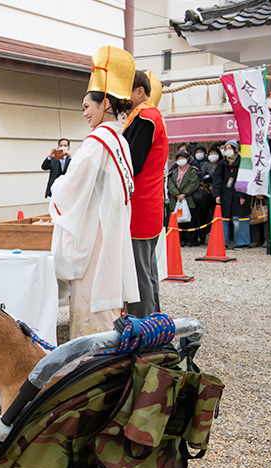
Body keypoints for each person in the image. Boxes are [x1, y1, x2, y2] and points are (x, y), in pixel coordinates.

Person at [50, 46, 139, 339]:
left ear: (105, 104)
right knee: (109, 300)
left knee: (91, 299)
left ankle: (90, 368)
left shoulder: (97, 141)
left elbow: (72, 186)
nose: (85, 113)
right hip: (111, 227)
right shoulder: (119, 140)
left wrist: (57, 186)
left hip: (94, 233)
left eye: (87, 107)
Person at [122, 69, 169, 318]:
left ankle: (143, 330)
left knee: (139, 274)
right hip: (148, 204)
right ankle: (153, 324)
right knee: (147, 272)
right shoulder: (149, 115)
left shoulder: (145, 118)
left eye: (126, 90)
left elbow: (131, 163)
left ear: (140, 91)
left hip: (139, 205)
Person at [213, 139, 250, 249]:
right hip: (225, 194)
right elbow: (217, 180)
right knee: (224, 219)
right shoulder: (222, 164)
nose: (228, 151)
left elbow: (245, 179)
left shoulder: (243, 162)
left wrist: (243, 195)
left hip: (239, 193)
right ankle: (223, 242)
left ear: (236, 149)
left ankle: (242, 242)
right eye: (226, 149)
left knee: (239, 219)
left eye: (230, 148)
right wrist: (217, 194)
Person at [166, 151, 200, 247]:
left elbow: (193, 183)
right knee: (178, 221)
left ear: (187, 159)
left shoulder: (192, 170)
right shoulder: (173, 172)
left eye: (183, 158)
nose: (181, 160)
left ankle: (190, 240)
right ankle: (181, 239)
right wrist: (177, 194)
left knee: (190, 220)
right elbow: (170, 184)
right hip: (176, 199)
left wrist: (184, 193)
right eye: (179, 158)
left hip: (188, 198)